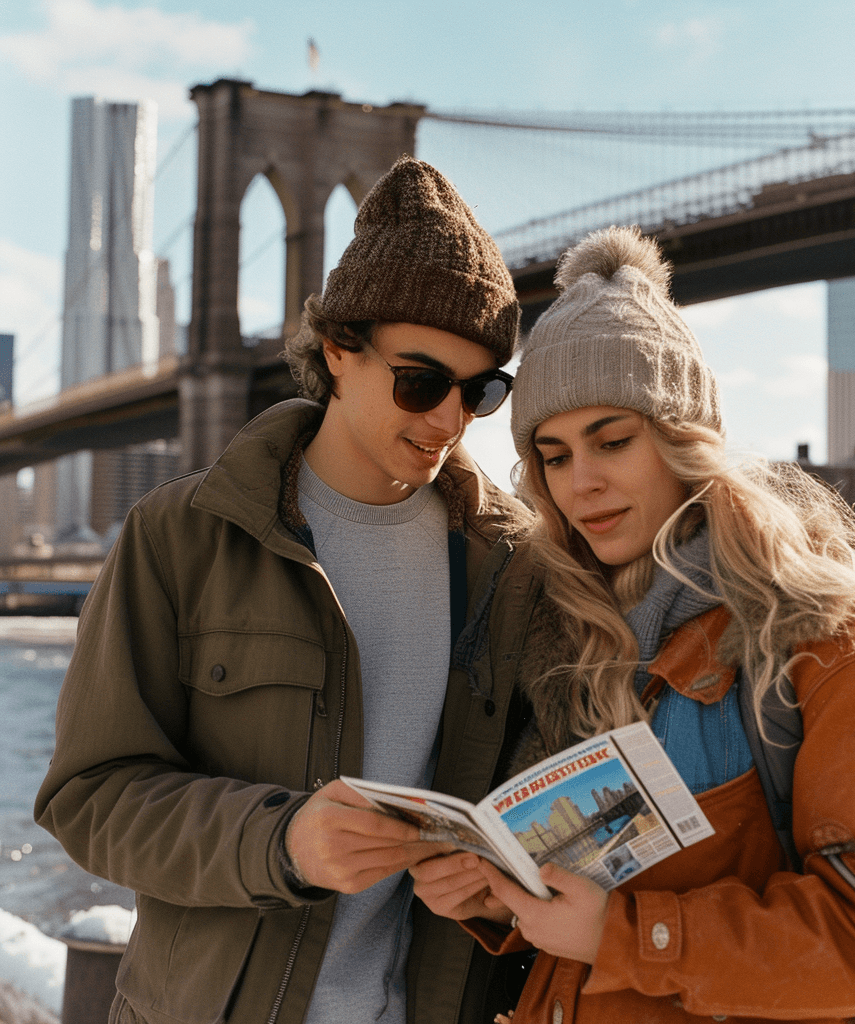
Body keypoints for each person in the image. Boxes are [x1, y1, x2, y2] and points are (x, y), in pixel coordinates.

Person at [35, 156, 544, 1024]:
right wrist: (280, 840)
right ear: (339, 349)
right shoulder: (182, 535)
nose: (449, 421)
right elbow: (90, 797)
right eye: (421, 382)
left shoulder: (512, 565)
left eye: (481, 391)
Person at [410, 226, 855, 1024]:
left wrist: (629, 935)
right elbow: (579, 920)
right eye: (554, 456)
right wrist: (495, 897)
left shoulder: (819, 634)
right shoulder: (561, 637)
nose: (581, 484)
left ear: (686, 442)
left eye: (613, 441)